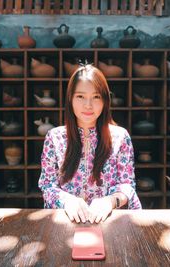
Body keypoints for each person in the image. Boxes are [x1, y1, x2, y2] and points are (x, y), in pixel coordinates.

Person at [38, 64, 142, 224]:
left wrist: (110, 201)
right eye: (80, 96)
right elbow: (47, 185)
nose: (88, 105)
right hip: (69, 223)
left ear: (105, 100)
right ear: (70, 99)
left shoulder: (120, 136)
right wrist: (66, 200)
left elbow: (127, 184)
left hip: (112, 222)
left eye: (96, 97)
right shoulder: (55, 137)